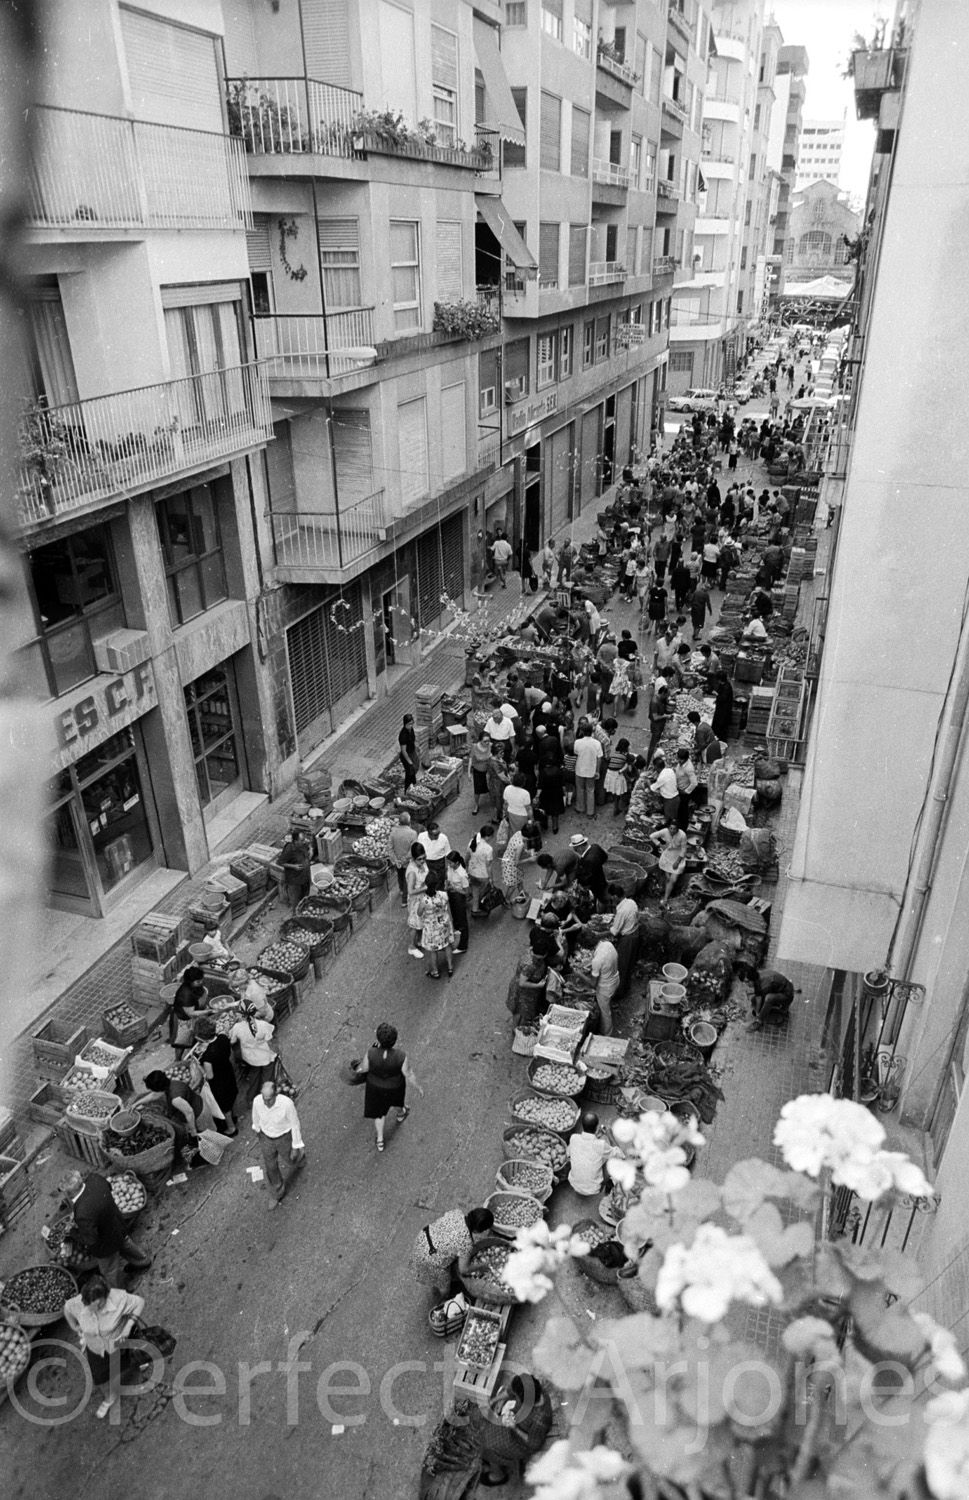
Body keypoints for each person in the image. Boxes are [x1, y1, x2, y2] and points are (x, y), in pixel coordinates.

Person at [64, 1275, 146, 1420]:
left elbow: (139, 1302)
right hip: (96, 1347)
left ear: (106, 1296)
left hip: (118, 1340)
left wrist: (128, 1327)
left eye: (99, 1305)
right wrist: (73, 1325)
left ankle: (139, 1362)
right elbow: (67, 1308)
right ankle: (109, 1398)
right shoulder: (77, 1303)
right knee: (99, 1376)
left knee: (131, 1356)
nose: (95, 1310)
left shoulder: (119, 1298)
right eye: (91, 1307)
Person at [59, 1170, 152, 1284]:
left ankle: (120, 1296)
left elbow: (91, 1239)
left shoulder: (82, 1213)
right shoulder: (95, 1178)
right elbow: (109, 1188)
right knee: (126, 1245)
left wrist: (73, 1232)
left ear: (69, 1194)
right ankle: (143, 1261)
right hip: (116, 1224)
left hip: (105, 1245)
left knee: (110, 1271)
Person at [352, 1022, 424, 1152]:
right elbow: (408, 1073)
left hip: (375, 1088)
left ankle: (380, 1140)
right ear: (394, 1040)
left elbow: (363, 1069)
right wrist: (418, 1087)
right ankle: (401, 1114)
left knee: (379, 1114)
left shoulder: (371, 1052)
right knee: (397, 1103)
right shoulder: (401, 1056)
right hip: (394, 1087)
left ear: (378, 1038)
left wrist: (355, 1069)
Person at [411, 1207, 495, 1299]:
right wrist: (481, 1267)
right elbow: (464, 1269)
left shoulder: (456, 1213)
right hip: (429, 1260)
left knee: (452, 1255)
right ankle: (444, 1300)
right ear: (478, 1230)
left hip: (422, 1241)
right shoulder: (466, 1242)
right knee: (444, 1285)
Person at [251, 1079, 304, 1208]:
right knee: (270, 1166)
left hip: (284, 1137)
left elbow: (295, 1125)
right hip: (266, 1137)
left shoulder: (287, 1104)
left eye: (269, 1099)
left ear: (276, 1095)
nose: (266, 1102)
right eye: (264, 1099)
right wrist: (257, 1129)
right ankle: (277, 1193)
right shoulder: (258, 1101)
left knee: (291, 1159)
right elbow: (255, 1116)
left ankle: (300, 1157)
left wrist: (296, 1146)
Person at [195, 1018, 239, 1136]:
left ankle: (231, 1128)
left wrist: (198, 1066)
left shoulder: (208, 1057)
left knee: (225, 1107)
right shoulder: (222, 1038)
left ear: (200, 1037)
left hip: (219, 1083)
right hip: (228, 1072)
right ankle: (233, 1117)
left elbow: (210, 1075)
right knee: (231, 1097)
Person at [228, 1006, 277, 1103]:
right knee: (267, 1078)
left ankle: (251, 1099)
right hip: (265, 1056)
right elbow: (270, 1041)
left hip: (250, 1058)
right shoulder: (262, 1025)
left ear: (242, 1014)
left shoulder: (237, 1027)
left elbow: (232, 1041)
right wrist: (277, 1052)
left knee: (254, 1077)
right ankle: (267, 1098)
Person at [567, 1112, 620, 1196]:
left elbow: (571, 1153)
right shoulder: (601, 1145)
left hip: (574, 1185)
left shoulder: (573, 1138)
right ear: (596, 1127)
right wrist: (610, 1135)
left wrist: (596, 1136)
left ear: (582, 1125)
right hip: (593, 1190)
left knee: (588, 1155)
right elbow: (620, 1155)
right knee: (612, 1159)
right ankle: (608, 1183)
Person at [418, 873, 455, 979]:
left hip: (431, 929)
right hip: (444, 924)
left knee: (433, 950)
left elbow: (419, 913)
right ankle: (450, 967)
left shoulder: (424, 900)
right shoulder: (443, 895)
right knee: (447, 945)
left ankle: (435, 971)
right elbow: (448, 908)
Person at [608, 882, 641, 998]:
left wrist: (605, 930)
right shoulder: (631, 902)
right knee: (629, 964)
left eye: (612, 897)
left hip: (627, 939)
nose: (611, 900)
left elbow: (614, 931)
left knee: (622, 966)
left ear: (615, 896)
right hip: (635, 934)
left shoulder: (622, 911)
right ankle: (626, 987)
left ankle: (619, 993)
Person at [168, 966, 207, 1059]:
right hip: (182, 1020)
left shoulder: (194, 987)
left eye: (201, 980)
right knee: (181, 1043)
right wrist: (209, 1011)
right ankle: (178, 1060)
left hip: (190, 1018)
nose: (201, 982)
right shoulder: (186, 994)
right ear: (190, 982)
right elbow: (191, 1013)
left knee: (191, 1037)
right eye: (198, 981)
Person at [650, 818, 688, 909]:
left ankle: (665, 898)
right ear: (668, 828)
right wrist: (660, 844)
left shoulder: (682, 835)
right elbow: (652, 836)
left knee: (673, 880)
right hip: (667, 856)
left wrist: (677, 862)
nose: (672, 831)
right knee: (668, 878)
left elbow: (684, 850)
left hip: (678, 857)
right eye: (671, 828)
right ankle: (665, 896)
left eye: (674, 829)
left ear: (678, 829)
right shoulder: (665, 831)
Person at [590, 933, 620, 1035]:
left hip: (605, 988)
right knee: (607, 1004)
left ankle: (606, 1033)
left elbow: (593, 984)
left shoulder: (597, 960)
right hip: (615, 979)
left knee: (605, 1013)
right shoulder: (608, 944)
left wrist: (579, 974)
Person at [573, 721, 603, 820]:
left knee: (580, 789)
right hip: (591, 770)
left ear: (582, 731)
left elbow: (576, 753)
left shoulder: (577, 742)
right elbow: (599, 758)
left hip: (580, 769)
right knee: (590, 790)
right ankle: (590, 812)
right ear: (592, 731)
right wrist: (597, 771)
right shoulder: (597, 743)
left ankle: (580, 807)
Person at [278, 829, 312, 910]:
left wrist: (311, 849)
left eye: (304, 839)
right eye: (302, 840)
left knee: (305, 896)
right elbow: (280, 862)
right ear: (295, 841)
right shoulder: (289, 849)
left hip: (305, 877)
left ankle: (304, 910)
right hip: (295, 880)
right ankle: (296, 914)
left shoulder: (303, 844)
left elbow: (309, 846)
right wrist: (294, 866)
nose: (304, 841)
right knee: (296, 900)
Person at [405, 844, 429, 958]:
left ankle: (419, 941)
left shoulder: (422, 864)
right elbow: (410, 891)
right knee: (414, 925)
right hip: (416, 901)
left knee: (421, 922)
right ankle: (411, 946)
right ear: (414, 859)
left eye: (424, 858)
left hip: (422, 898)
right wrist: (425, 887)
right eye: (419, 859)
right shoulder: (412, 872)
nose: (423, 861)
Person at [573, 834, 609, 909]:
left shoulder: (587, 860)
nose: (577, 852)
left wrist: (580, 882)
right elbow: (605, 857)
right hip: (601, 875)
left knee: (601, 897)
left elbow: (587, 878)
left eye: (576, 850)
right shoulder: (595, 847)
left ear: (579, 848)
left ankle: (601, 910)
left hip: (596, 884)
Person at [445, 851, 470, 954]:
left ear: (456, 862)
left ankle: (463, 945)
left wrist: (454, 888)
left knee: (462, 921)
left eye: (450, 863)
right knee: (455, 917)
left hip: (459, 897)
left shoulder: (462, 874)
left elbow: (467, 892)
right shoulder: (450, 868)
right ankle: (457, 937)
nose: (449, 865)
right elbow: (448, 878)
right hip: (452, 895)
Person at [389, 810, 415, 906]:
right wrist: (405, 859)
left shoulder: (393, 832)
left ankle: (400, 890)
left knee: (400, 875)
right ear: (409, 822)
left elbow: (390, 848)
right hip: (407, 861)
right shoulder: (413, 833)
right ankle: (404, 900)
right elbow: (412, 850)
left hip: (397, 861)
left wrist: (395, 860)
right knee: (407, 880)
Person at [467, 826, 494, 915]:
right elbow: (488, 866)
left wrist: (466, 867)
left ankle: (475, 909)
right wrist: (491, 879)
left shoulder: (472, 842)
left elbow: (467, 856)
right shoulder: (488, 849)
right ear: (487, 836)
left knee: (475, 890)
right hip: (483, 875)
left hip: (472, 872)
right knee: (483, 891)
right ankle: (480, 904)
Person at [535, 755, 565, 835]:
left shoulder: (543, 772)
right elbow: (562, 783)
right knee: (555, 811)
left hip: (546, 794)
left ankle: (545, 825)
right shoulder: (558, 771)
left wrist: (537, 796)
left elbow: (540, 786)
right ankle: (555, 827)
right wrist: (564, 792)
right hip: (557, 793)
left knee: (545, 810)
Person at [604, 737, 632, 817]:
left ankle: (615, 807)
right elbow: (629, 769)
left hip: (610, 774)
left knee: (615, 792)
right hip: (617, 775)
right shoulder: (624, 756)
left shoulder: (614, 753)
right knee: (621, 791)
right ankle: (619, 808)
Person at [418, 822, 451, 886]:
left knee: (440, 882)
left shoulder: (444, 838)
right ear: (428, 833)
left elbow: (448, 854)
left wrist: (447, 869)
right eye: (435, 835)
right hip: (426, 863)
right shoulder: (421, 836)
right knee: (428, 881)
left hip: (439, 863)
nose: (438, 836)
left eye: (438, 833)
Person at [650, 754, 680, 824]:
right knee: (673, 819)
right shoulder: (670, 770)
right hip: (676, 798)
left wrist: (648, 782)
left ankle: (668, 833)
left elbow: (652, 788)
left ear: (656, 767)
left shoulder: (662, 777)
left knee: (669, 821)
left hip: (670, 801)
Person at [674, 747, 699, 831]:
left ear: (686, 759)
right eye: (678, 758)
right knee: (679, 809)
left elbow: (694, 783)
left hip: (684, 793)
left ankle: (683, 828)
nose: (679, 761)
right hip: (679, 788)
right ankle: (678, 825)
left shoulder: (689, 768)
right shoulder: (681, 764)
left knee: (683, 810)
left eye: (681, 759)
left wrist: (686, 791)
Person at [469, 732, 493, 816]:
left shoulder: (491, 746)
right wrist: (469, 773)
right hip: (478, 771)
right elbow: (471, 759)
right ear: (480, 741)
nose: (487, 743)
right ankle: (476, 805)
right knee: (477, 790)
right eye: (485, 741)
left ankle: (493, 802)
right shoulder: (475, 747)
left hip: (488, 770)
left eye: (488, 741)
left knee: (490, 786)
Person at [647, 680, 670, 762]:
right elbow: (655, 717)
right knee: (653, 744)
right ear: (663, 694)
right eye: (666, 695)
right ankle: (649, 761)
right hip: (656, 726)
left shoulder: (661, 698)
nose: (667, 697)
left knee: (658, 743)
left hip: (661, 724)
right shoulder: (654, 701)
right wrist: (666, 716)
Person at [711, 674, 734, 741]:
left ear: (720, 679)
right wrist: (717, 700)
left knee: (722, 724)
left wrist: (716, 694)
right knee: (717, 722)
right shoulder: (723, 684)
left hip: (724, 709)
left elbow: (723, 698)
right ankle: (716, 736)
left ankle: (721, 740)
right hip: (721, 707)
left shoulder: (727, 687)